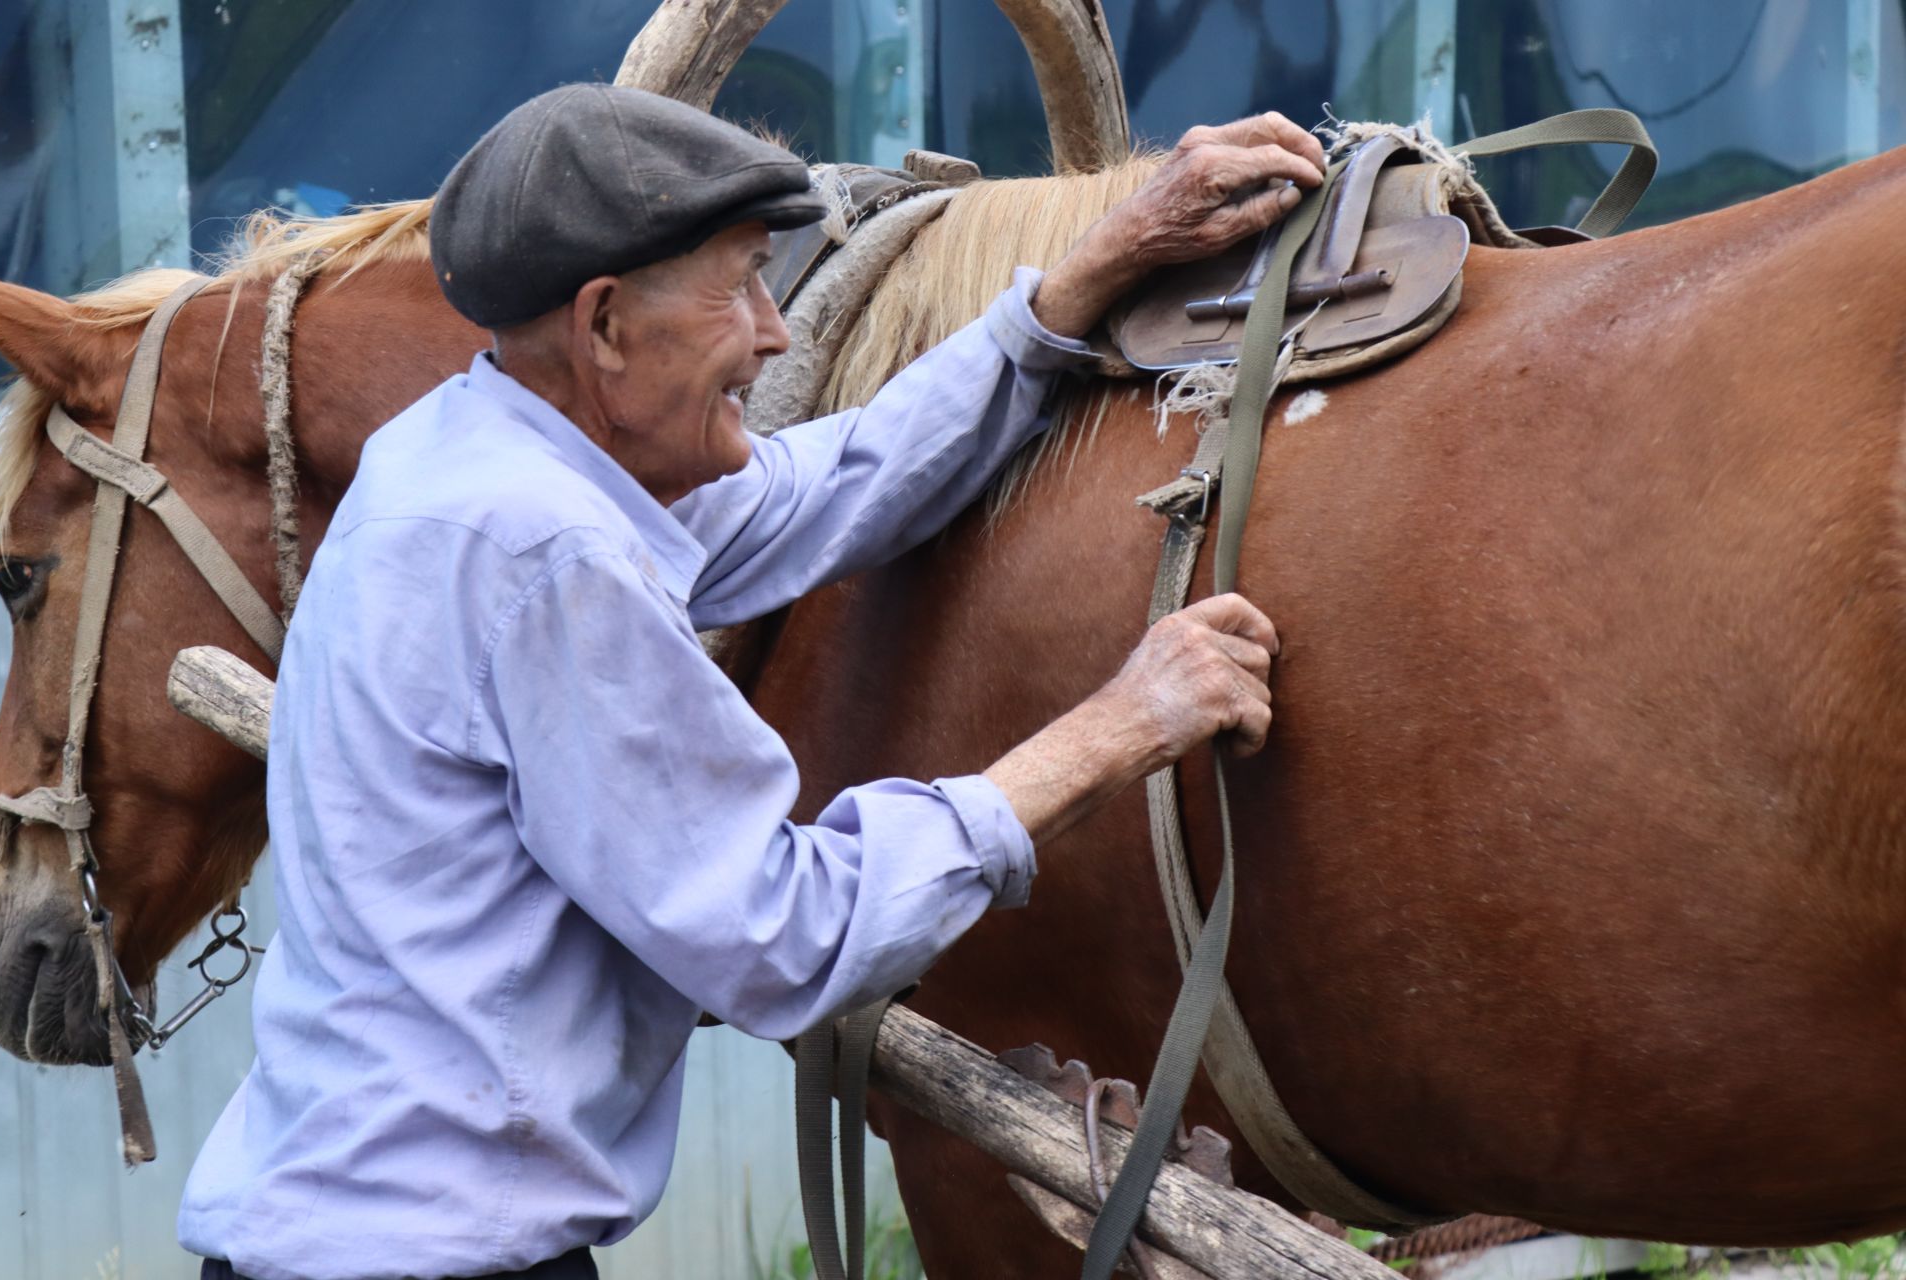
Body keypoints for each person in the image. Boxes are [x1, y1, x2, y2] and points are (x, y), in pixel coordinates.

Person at [178, 83, 1323, 1280]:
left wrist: (1069, 290)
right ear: (605, 324)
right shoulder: (543, 550)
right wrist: (1117, 725)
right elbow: (781, 930)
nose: (776, 334)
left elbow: (824, 485)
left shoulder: (465, 453)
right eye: (741, 287)